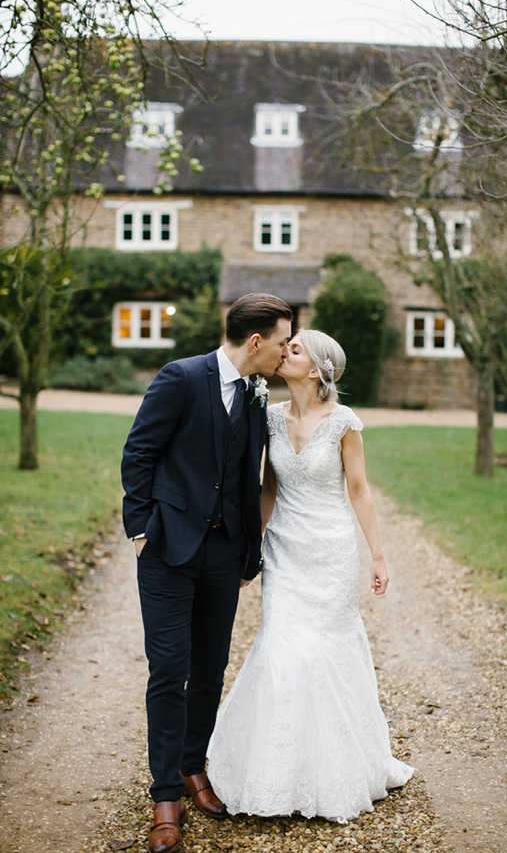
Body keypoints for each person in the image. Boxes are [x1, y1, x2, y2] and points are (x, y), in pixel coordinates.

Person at [207, 328, 414, 824]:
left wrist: (378, 556)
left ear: (317, 369)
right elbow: (267, 491)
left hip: (331, 551)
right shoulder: (271, 417)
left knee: (327, 648)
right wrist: (250, 550)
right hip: (285, 550)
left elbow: (360, 491)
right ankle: (274, 770)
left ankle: (334, 769)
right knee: (280, 643)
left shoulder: (344, 423)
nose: (284, 351)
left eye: (294, 348)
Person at [121, 293, 293, 853]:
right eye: (283, 340)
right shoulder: (181, 377)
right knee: (169, 670)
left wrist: (249, 551)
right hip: (168, 549)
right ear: (256, 342)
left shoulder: (255, 395)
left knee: (211, 667)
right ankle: (165, 795)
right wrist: (142, 528)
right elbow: (139, 452)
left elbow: (249, 477)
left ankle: (195, 766)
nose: (288, 350)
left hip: (224, 555)